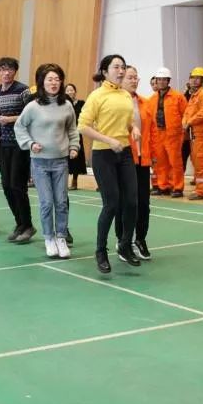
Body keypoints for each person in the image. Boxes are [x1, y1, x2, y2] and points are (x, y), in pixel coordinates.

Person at [78, 54, 141, 273]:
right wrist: (108, 140)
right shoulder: (96, 96)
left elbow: (127, 121)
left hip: (124, 152)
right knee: (111, 204)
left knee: (132, 202)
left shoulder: (125, 95)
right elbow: (83, 126)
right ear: (105, 72)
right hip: (103, 154)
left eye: (123, 67)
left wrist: (134, 128)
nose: (121, 71)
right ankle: (100, 251)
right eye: (116, 67)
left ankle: (125, 245)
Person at [14, 64, 79, 257]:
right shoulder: (33, 106)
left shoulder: (66, 105)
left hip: (61, 162)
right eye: (50, 79)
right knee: (46, 203)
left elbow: (72, 129)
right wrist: (30, 143)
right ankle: (49, 238)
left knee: (61, 202)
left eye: (57, 79)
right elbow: (19, 126)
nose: (54, 83)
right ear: (42, 82)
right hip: (40, 162)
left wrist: (74, 146)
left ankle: (61, 237)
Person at [113, 65, 159, 260]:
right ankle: (123, 240)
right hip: (124, 159)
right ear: (121, 80)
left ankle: (140, 239)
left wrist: (154, 154)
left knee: (143, 203)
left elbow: (153, 130)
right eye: (129, 77)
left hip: (143, 160)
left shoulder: (145, 103)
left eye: (135, 77)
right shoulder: (115, 102)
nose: (133, 81)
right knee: (125, 202)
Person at [0, 57, 36, 243]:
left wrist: (10, 119)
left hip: (20, 144)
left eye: (10, 69)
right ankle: (19, 224)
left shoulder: (23, 90)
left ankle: (28, 225)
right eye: (2, 69)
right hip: (3, 144)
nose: (6, 72)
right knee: (7, 185)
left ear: (15, 71)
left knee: (18, 186)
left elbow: (31, 114)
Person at [149, 68, 187, 197]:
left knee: (175, 162)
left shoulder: (178, 97)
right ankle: (163, 185)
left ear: (168, 81)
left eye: (164, 79)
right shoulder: (152, 99)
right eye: (159, 79)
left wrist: (181, 131)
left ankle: (177, 187)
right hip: (157, 134)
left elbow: (185, 114)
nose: (161, 82)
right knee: (161, 162)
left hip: (173, 135)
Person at [182, 67, 203, 200]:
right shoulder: (194, 95)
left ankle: (201, 191)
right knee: (196, 163)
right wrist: (184, 122)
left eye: (197, 78)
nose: (194, 80)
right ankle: (200, 189)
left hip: (201, 135)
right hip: (194, 135)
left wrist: (189, 122)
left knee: (201, 164)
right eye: (193, 78)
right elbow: (187, 112)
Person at [64, 83, 87, 190]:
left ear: (75, 91)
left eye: (71, 90)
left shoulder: (81, 103)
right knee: (65, 157)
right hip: (64, 133)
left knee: (77, 157)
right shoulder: (63, 104)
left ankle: (75, 181)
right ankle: (63, 181)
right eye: (67, 90)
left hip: (76, 133)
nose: (69, 92)